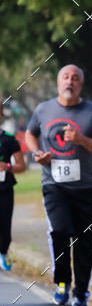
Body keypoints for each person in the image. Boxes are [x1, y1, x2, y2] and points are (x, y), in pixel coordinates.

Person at [25, 65, 92, 306]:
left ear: (81, 84)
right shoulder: (43, 109)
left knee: (84, 240)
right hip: (54, 184)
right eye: (65, 77)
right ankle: (61, 283)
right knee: (59, 231)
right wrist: (37, 152)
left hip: (86, 187)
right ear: (58, 82)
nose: (70, 81)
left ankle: (81, 292)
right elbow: (30, 134)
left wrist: (81, 140)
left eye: (75, 78)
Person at [0, 101, 26, 271]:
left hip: (4, 190)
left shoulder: (9, 139)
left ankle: (3, 251)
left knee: (4, 226)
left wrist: (7, 167)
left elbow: (22, 166)